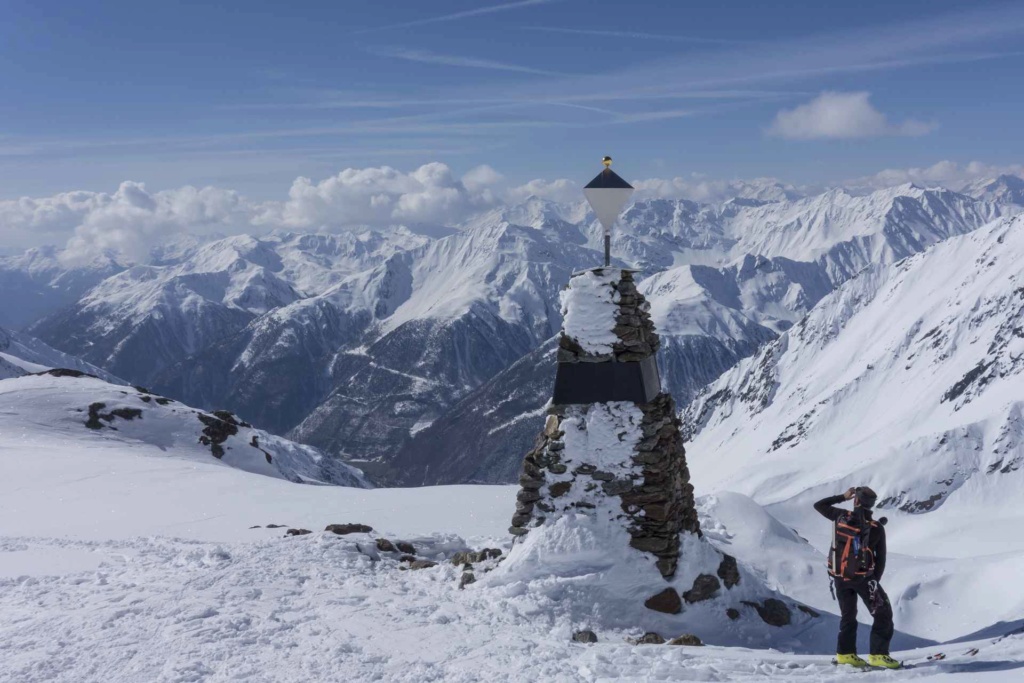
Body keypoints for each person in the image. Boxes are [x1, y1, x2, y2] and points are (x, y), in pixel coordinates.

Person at [814, 486, 899, 669]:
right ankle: (878, 656)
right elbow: (880, 559)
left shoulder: (841, 516)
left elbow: (819, 505)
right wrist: (872, 581)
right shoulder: (875, 528)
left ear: (856, 501)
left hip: (839, 576)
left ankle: (845, 654)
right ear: (872, 504)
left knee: (848, 616)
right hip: (863, 579)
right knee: (883, 614)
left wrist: (842, 496)